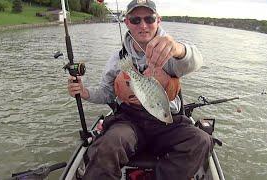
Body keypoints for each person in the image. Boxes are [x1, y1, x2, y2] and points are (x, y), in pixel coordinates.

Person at [67, 0, 213, 179]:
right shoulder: (118, 59)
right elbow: (106, 93)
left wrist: (178, 49)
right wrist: (84, 92)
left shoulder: (172, 53)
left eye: (149, 19)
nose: (143, 25)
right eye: (136, 20)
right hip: (129, 123)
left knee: (201, 140)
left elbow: (196, 60)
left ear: (158, 20)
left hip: (166, 124)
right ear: (127, 22)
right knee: (109, 144)